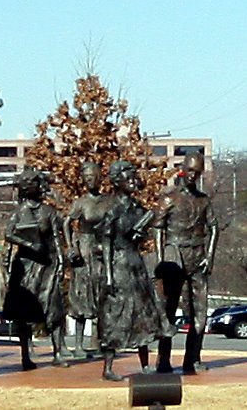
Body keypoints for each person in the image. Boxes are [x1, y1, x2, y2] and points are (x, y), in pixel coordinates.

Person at [98, 160, 174, 381]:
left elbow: (141, 241)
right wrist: (109, 277)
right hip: (118, 264)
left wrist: (140, 235)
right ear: (117, 181)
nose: (133, 180)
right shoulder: (111, 209)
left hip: (136, 265)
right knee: (114, 316)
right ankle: (108, 367)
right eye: (127, 176)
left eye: (133, 176)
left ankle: (145, 365)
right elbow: (106, 244)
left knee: (144, 314)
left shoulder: (139, 209)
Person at [153, 151, 218, 374]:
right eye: (190, 170)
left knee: (199, 313)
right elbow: (158, 228)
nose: (193, 175)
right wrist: (162, 259)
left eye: (197, 172)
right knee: (168, 310)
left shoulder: (203, 200)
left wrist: (209, 256)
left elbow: (214, 227)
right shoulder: (169, 198)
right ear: (183, 169)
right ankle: (163, 360)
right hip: (175, 256)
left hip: (198, 256)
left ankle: (193, 359)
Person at [3, 167, 68, 370]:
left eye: (31, 182)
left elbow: (57, 238)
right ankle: (25, 355)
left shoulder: (49, 212)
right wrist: (29, 244)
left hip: (47, 265)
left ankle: (58, 352)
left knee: (54, 308)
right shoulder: (19, 213)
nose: (28, 186)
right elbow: (8, 234)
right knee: (24, 313)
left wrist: (61, 263)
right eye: (25, 183)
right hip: (26, 265)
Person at [63, 161, 113, 358]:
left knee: (101, 294)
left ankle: (101, 342)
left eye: (93, 177)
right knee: (81, 295)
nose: (89, 181)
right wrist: (71, 246)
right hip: (84, 249)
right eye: (86, 177)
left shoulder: (109, 201)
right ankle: (78, 344)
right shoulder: (81, 202)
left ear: (99, 178)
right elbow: (67, 222)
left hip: (102, 249)